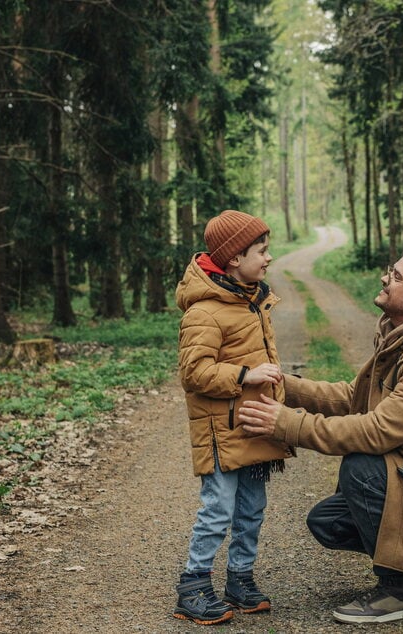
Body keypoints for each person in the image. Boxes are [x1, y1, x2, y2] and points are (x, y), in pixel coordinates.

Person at [238, 247, 403, 624]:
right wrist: (287, 386)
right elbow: (357, 398)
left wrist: (288, 425)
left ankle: (400, 591)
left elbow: (377, 431)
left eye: (396, 277)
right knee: (329, 522)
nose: (384, 278)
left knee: (363, 467)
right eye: (389, 271)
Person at [173, 209, 294, 625]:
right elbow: (194, 373)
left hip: (252, 423)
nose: (268, 258)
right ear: (233, 259)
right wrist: (246, 374)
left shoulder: (252, 299)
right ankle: (193, 584)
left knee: (251, 508)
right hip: (221, 431)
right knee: (218, 508)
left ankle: (240, 578)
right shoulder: (204, 311)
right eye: (261, 251)